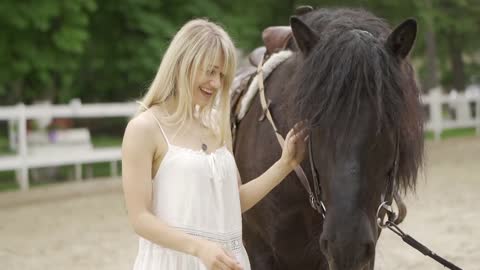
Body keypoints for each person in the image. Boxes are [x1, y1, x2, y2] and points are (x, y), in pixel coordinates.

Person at [121, 18, 309, 270]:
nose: (216, 84)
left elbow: (233, 201)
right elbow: (140, 218)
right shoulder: (144, 128)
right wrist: (199, 247)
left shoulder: (215, 126)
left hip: (226, 262)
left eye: (221, 75)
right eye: (210, 71)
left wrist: (285, 164)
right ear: (182, 64)